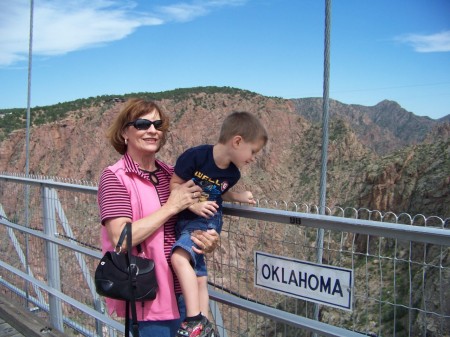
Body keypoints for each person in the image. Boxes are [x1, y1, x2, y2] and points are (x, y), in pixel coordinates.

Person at [97, 98, 220, 337]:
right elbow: (120, 239)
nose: (153, 130)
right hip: (150, 297)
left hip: (187, 290)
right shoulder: (115, 178)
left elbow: (194, 219)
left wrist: (209, 239)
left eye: (158, 124)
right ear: (125, 132)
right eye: (143, 124)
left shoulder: (172, 175)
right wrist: (171, 207)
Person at [170, 111, 268, 336]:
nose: (252, 158)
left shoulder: (232, 174)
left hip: (207, 220)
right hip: (188, 217)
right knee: (199, 277)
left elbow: (216, 192)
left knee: (179, 258)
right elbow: (174, 185)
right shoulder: (195, 157)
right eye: (252, 151)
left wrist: (237, 196)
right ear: (237, 141)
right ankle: (203, 326)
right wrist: (192, 205)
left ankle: (194, 320)